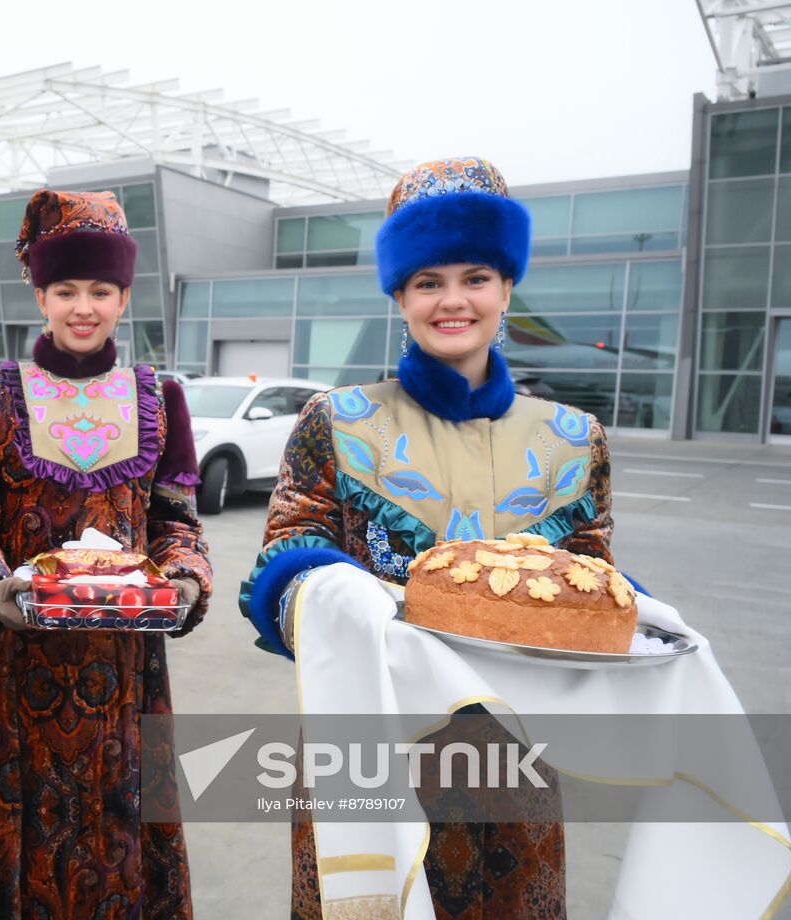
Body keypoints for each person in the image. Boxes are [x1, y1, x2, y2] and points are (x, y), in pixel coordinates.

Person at [241, 158, 613, 919]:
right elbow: (283, 561)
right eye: (427, 281)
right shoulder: (339, 422)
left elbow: (592, 575)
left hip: (518, 755)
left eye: (475, 276)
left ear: (507, 288)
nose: (453, 300)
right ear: (400, 297)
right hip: (370, 752)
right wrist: (333, 590)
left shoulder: (572, 438)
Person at [0, 189, 212, 920]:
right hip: (19, 669)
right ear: (39, 295)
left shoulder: (159, 398)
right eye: (65, 289)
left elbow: (176, 522)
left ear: (124, 298)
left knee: (125, 835)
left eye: (100, 291)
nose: (83, 307)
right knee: (24, 836)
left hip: (127, 664)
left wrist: (186, 580)